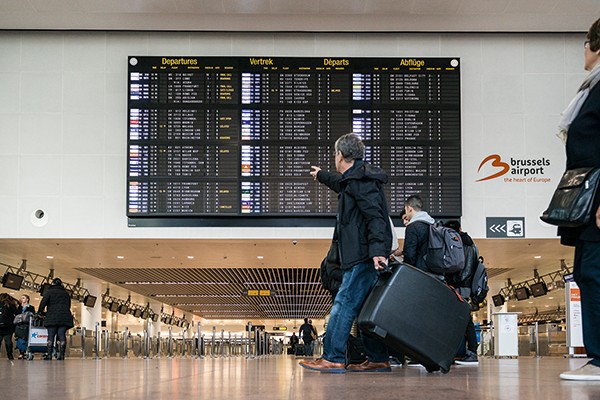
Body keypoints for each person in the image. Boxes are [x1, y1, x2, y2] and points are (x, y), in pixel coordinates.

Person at [300, 132, 393, 373]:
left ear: (341, 155)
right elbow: (341, 184)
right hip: (362, 254)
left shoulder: (361, 181)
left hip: (362, 257)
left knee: (343, 303)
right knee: (364, 309)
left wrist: (376, 252)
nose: (334, 157)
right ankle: (378, 357)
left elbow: (376, 218)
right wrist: (321, 175)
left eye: (335, 154)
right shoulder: (355, 180)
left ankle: (333, 357)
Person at [558, 18, 600, 381]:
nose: (582, 51)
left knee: (594, 273)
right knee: (588, 273)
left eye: (585, 43)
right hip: (588, 201)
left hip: (597, 200)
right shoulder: (593, 87)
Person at [444, 220, 479, 365]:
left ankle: (470, 353)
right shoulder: (471, 244)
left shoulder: (454, 242)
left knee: (463, 320)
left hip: (457, 285)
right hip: (467, 284)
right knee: (465, 319)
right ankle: (468, 352)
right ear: (460, 228)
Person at [402, 195, 441, 280]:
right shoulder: (433, 224)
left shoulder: (412, 227)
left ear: (409, 208)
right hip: (438, 271)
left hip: (421, 273)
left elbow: (409, 255)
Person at [38, 278, 74, 360]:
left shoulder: (49, 292)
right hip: (64, 316)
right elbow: (68, 305)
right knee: (61, 334)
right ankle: (62, 355)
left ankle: (49, 355)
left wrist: (39, 312)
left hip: (52, 316)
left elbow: (43, 303)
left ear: (53, 283)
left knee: (51, 335)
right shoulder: (66, 293)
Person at [14, 294, 35, 359]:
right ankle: (21, 353)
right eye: (21, 298)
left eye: (23, 298)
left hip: (27, 325)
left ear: (27, 299)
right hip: (20, 325)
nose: (22, 299)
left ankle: (27, 351)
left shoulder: (30, 307)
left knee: (26, 338)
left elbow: (32, 315)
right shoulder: (20, 307)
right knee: (20, 338)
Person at [0, 293, 19, 360]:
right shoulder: (10, 304)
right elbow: (17, 313)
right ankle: (10, 355)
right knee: (8, 341)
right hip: (8, 327)